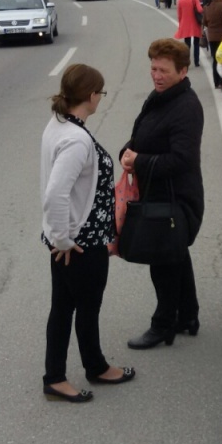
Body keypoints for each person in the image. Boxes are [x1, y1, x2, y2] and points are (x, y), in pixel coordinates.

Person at [40, 63, 136, 403]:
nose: (101, 98)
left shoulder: (59, 123)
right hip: (82, 242)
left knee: (63, 307)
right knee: (86, 307)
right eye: (101, 93)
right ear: (92, 95)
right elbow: (55, 193)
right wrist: (63, 239)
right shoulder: (76, 140)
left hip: (70, 237)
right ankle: (93, 368)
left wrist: (58, 237)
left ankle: (57, 375)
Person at [121, 39, 205, 349]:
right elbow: (142, 136)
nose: (156, 75)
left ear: (182, 72)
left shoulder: (186, 107)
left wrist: (139, 161)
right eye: (153, 68)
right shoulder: (160, 97)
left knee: (163, 259)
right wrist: (127, 152)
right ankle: (188, 316)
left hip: (176, 198)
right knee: (176, 253)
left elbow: (182, 159)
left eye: (164, 70)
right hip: (158, 192)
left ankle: (163, 324)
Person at [175, 0, 204, 68]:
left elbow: (179, 15)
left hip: (185, 24)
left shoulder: (180, 1)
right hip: (195, 23)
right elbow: (200, 10)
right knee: (196, 43)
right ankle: (196, 61)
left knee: (187, 45)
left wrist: (180, 24)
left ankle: (187, 61)